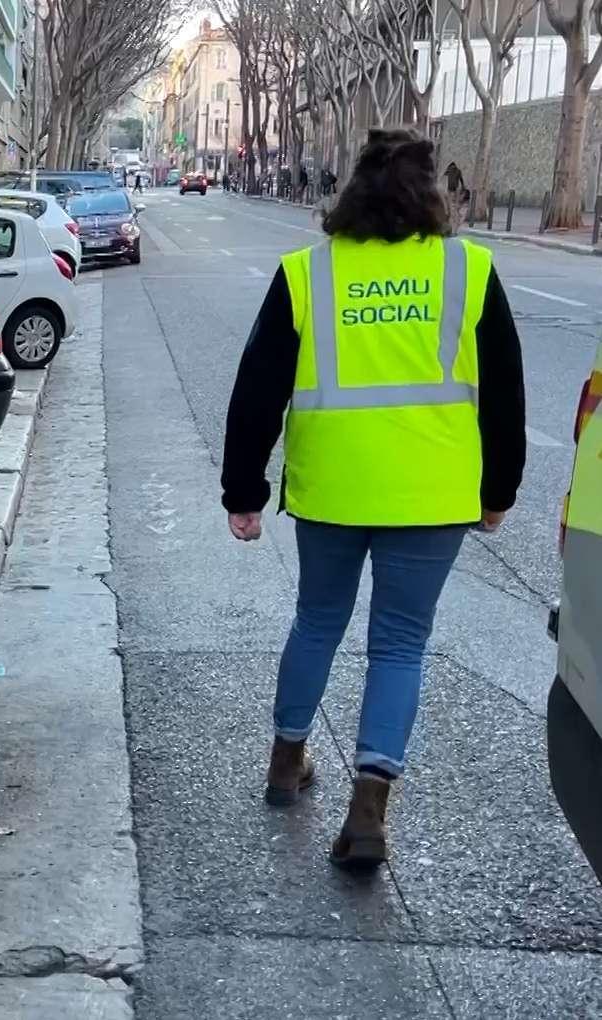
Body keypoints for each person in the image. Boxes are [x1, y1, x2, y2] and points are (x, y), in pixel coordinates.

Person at [220, 129, 526, 870]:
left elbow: (256, 387)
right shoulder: (470, 270)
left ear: (350, 192)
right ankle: (368, 809)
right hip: (432, 494)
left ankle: (287, 762)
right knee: (399, 644)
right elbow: (506, 396)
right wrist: (498, 492)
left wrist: (244, 489)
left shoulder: (307, 273)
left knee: (318, 621)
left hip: (333, 489)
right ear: (434, 198)